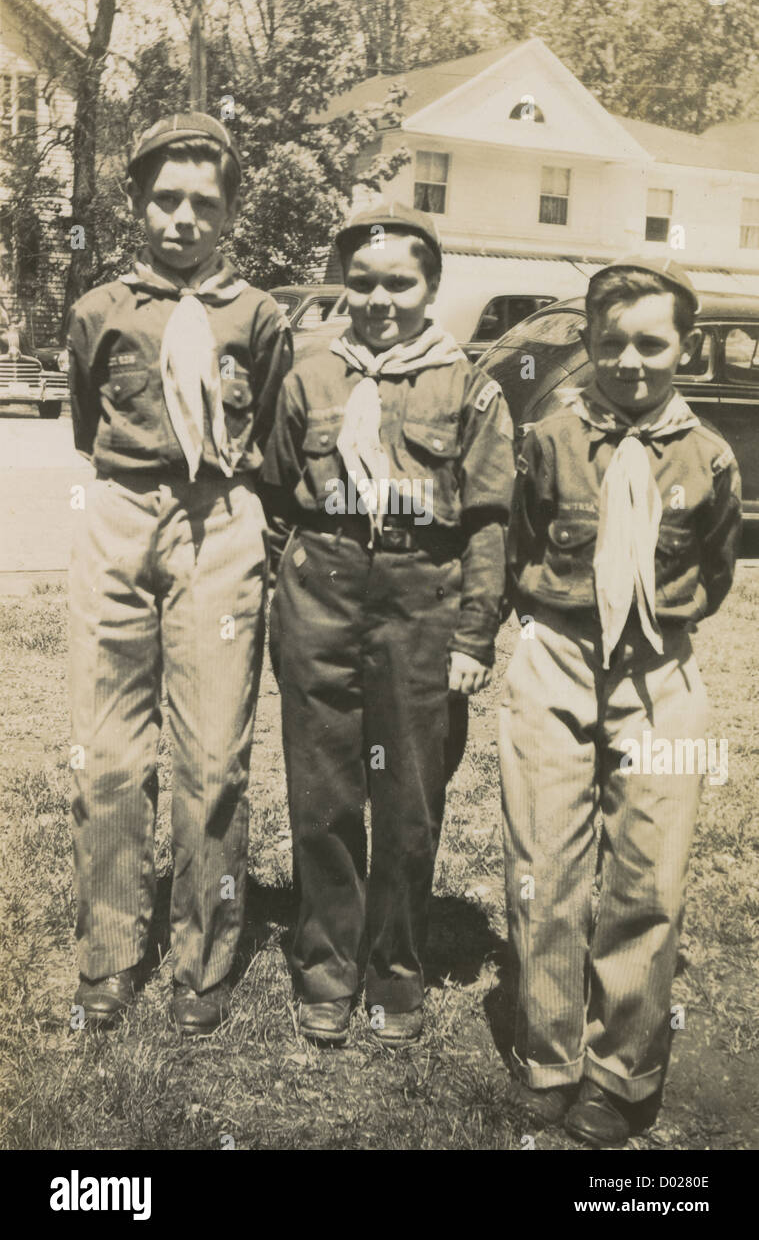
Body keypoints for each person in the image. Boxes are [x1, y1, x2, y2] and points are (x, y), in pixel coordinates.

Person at [500, 255, 742, 1145]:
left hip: (657, 673)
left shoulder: (709, 457)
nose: (631, 362)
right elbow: (520, 539)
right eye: (612, 344)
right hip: (556, 658)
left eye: (651, 343)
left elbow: (711, 570)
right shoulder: (547, 438)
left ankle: (620, 1070)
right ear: (589, 345)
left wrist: (655, 634)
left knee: (647, 874)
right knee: (545, 866)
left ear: (682, 344)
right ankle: (549, 1055)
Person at [262, 201, 515, 1045]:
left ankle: (395, 971)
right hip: (320, 597)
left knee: (409, 801)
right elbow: (272, 494)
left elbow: (487, 522)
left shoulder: (469, 388)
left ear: (430, 287)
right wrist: (289, 583)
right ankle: (327, 966)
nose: (379, 299)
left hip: (419, 601)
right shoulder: (308, 379)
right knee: (323, 795)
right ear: (344, 285)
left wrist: (475, 636)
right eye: (361, 282)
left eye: (398, 283)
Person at [67, 112, 293, 1035]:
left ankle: (203, 955)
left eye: (205, 203)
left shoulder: (259, 315)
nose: (183, 220)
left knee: (211, 753)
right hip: (120, 514)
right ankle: (110, 952)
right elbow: (87, 423)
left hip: (221, 520)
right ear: (135, 204)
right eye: (165, 199)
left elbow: (272, 422)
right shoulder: (98, 310)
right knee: (109, 757)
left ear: (230, 213)